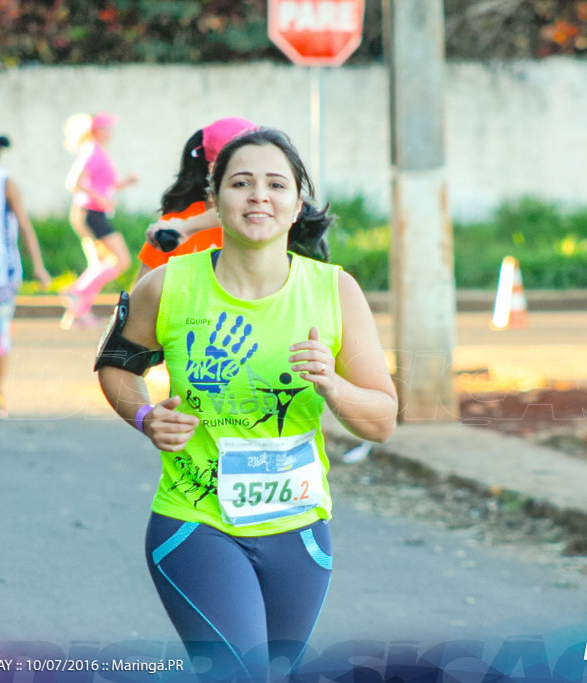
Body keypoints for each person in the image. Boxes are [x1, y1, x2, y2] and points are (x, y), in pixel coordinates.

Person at [96, 128, 398, 681]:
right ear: (213, 201)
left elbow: (381, 420)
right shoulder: (168, 286)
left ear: (296, 204)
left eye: (275, 184)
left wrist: (333, 384)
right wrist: (145, 415)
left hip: (300, 531)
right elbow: (116, 364)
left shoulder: (335, 291)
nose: (259, 195)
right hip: (196, 523)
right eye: (241, 183)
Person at [0, 130, 52, 420]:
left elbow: (25, 226)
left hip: (3, 272)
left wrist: (38, 266)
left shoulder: (5, 184)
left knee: (0, 334)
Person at [135, 116, 256, 282]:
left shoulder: (265, 221)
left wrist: (186, 226)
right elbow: (136, 302)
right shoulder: (171, 228)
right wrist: (183, 227)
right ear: (215, 169)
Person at [60, 112, 139, 329]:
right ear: (97, 131)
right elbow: (74, 182)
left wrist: (126, 183)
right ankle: (76, 291)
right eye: (107, 128)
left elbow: (105, 185)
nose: (110, 132)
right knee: (121, 260)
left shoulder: (97, 152)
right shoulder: (91, 151)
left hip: (92, 213)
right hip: (90, 214)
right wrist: (101, 199)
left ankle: (78, 313)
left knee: (98, 265)